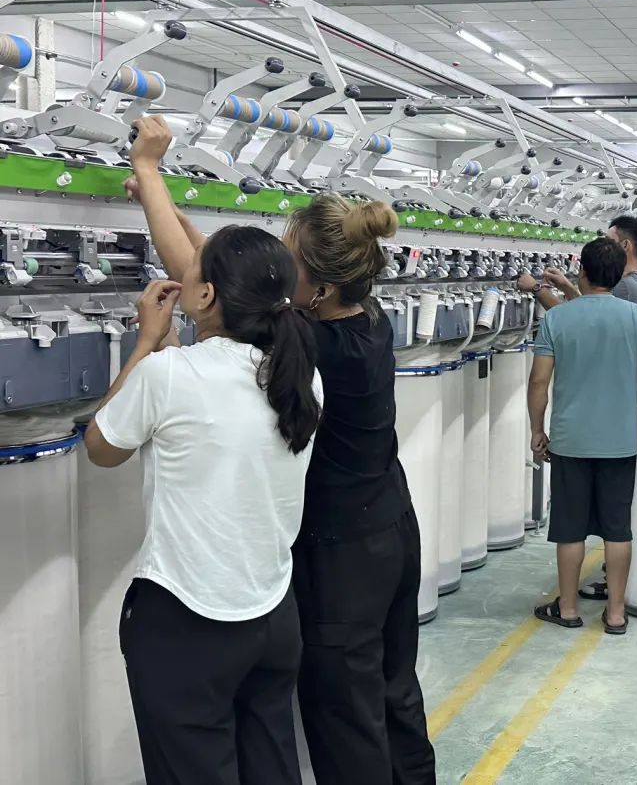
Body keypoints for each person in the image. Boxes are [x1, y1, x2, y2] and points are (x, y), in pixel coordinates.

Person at [123, 116, 437, 783]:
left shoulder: (309, 346)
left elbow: (203, 283)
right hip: (391, 530)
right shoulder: (366, 318)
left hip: (341, 559)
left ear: (315, 288)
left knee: (347, 717)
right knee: (394, 691)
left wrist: (149, 169)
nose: (273, 271)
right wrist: (166, 205)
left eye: (286, 260)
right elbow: (226, 271)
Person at [85, 219, 324, 781]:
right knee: (270, 766)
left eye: (190, 268)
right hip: (272, 614)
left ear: (206, 296)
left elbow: (101, 446)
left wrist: (146, 342)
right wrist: (171, 352)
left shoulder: (167, 375)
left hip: (186, 622)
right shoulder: (300, 376)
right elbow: (212, 400)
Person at [527, 237, 637, 635]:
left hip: (570, 440)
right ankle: (616, 613)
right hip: (618, 442)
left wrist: (537, 429)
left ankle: (568, 608)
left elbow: (539, 382)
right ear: (618, 275)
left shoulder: (558, 318)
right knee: (617, 528)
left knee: (569, 527)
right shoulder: (634, 316)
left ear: (582, 272)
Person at [517, 215, 637, 314]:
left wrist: (536, 288)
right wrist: (566, 286)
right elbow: (590, 309)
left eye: (608, 241)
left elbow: (580, 320)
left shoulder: (624, 286)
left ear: (625, 245)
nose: (603, 245)